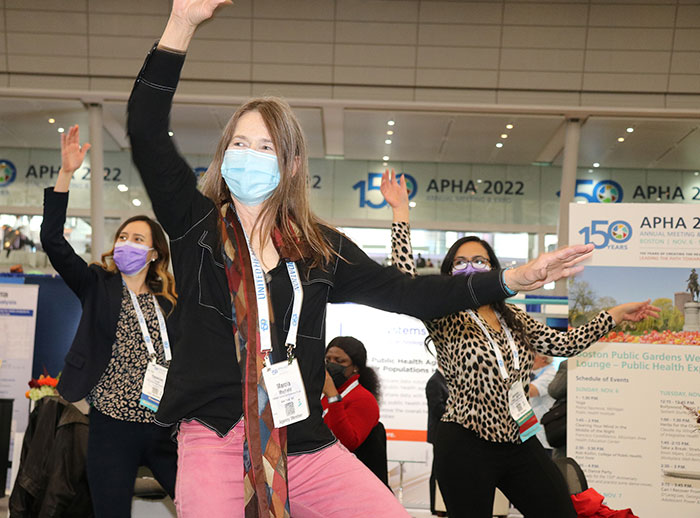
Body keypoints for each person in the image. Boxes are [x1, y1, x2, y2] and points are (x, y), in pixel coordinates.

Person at [127, 2, 595, 516]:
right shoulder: (198, 226)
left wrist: (509, 279)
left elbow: (407, 292)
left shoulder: (319, 246)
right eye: (239, 142)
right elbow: (147, 132)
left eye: (264, 146)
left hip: (299, 439)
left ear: (291, 164)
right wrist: (182, 24)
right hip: (213, 433)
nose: (247, 154)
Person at [380, 169, 660, 518]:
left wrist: (614, 314)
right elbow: (406, 281)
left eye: (479, 261)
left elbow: (566, 343)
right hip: (465, 441)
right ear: (450, 273)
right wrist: (400, 213)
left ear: (494, 270)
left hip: (519, 437)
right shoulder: (444, 313)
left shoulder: (515, 316)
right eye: (461, 262)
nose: (471, 267)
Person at [39, 125, 178, 517]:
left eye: (138, 239)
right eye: (123, 236)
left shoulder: (169, 303)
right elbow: (52, 240)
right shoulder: (97, 284)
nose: (127, 244)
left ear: (153, 254)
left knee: (198, 502)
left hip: (164, 426)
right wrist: (66, 175)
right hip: (111, 427)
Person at [322, 336, 388, 485]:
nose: (332, 365)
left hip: (347, 479)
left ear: (355, 367)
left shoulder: (364, 399)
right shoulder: (319, 393)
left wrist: (333, 396)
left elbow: (347, 443)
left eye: (339, 361)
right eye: (328, 360)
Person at [425, 367, 448, 516]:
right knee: (437, 471)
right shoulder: (435, 381)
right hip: (440, 433)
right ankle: (436, 506)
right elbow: (437, 408)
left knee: (441, 469)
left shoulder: (445, 380)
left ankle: (441, 505)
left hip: (445, 433)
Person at [528, 353, 556, 452]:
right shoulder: (533, 373)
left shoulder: (551, 374)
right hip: (531, 430)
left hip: (543, 435)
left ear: (544, 358)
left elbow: (531, 391)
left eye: (533, 355)